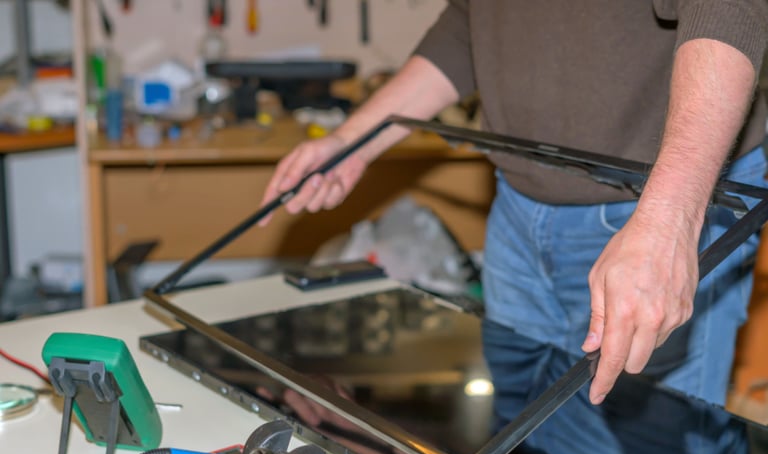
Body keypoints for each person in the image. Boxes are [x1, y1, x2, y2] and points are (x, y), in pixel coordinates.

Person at [259, 1, 768, 414]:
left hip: (654, 214)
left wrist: (670, 220)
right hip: (518, 209)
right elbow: (471, 20)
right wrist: (352, 140)